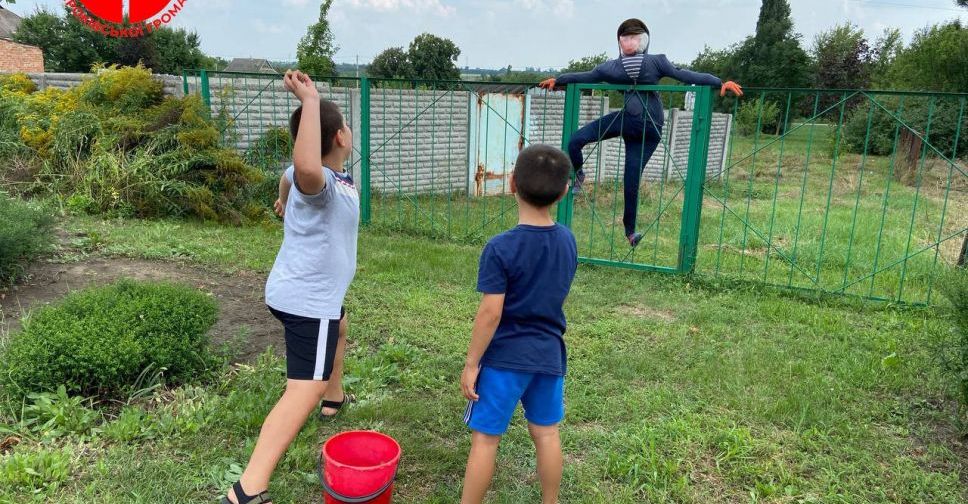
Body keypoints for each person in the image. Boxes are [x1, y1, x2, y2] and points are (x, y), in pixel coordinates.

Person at [221, 70, 359, 504]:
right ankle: (248, 487)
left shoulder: (326, 180)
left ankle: (333, 397)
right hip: (308, 300)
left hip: (303, 293)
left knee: (340, 325)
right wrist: (311, 100)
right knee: (303, 386)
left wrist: (282, 199)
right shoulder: (319, 185)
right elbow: (301, 168)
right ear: (339, 136)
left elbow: (288, 175)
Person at [539, 18, 743, 247]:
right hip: (627, 120)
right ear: (619, 41)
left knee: (631, 179)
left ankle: (630, 231)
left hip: (650, 127)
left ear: (644, 41)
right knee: (575, 140)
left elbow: (684, 75)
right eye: (625, 38)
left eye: (634, 37)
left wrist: (719, 82)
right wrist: (559, 80)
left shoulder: (656, 62)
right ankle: (578, 174)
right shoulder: (612, 67)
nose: (629, 42)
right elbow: (586, 76)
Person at [460, 145, 579, 504]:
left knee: (485, 439)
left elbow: (490, 314)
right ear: (564, 191)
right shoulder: (568, 241)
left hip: (503, 360)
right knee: (546, 434)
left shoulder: (499, 248)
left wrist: (471, 363)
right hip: (549, 357)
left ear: (511, 184)